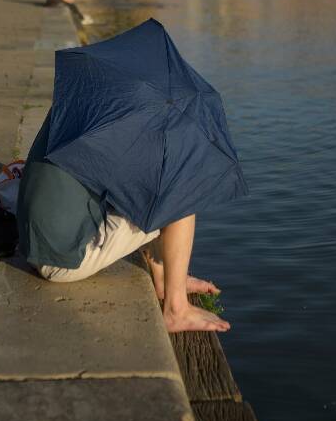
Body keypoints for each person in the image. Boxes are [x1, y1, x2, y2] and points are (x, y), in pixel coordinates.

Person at [17, 113, 230, 333]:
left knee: (154, 189)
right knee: (181, 196)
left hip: (33, 244)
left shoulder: (81, 107)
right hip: (62, 261)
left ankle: (166, 278)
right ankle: (176, 310)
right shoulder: (113, 123)